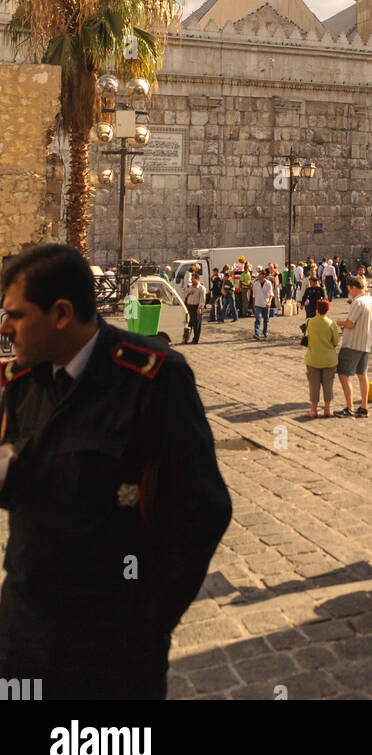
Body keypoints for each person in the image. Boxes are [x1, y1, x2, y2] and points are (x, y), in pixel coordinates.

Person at [0, 243, 232, 700]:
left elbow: (205, 507)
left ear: (62, 314)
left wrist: (149, 620)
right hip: (25, 620)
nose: (5, 326)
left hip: (110, 639)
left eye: (16, 315)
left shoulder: (152, 378)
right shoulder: (23, 381)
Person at [335, 275, 372, 417]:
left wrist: (339, 322)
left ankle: (349, 407)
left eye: (349, 289)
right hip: (366, 342)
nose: (349, 292)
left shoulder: (357, 303)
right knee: (362, 374)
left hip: (352, 343)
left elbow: (350, 323)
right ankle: (363, 407)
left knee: (343, 374)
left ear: (353, 287)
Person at [302, 299, 340, 419]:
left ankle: (314, 410)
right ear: (327, 310)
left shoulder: (310, 322)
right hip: (329, 359)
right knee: (328, 384)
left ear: (317, 309)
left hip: (313, 359)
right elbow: (336, 341)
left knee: (314, 385)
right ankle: (327, 409)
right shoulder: (331, 323)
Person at [301, 271, 326, 348]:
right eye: (310, 282)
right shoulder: (308, 289)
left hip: (317, 307)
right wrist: (302, 304)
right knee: (309, 320)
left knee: (317, 321)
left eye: (312, 282)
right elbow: (304, 297)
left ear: (315, 282)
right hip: (309, 307)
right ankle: (307, 332)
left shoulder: (320, 289)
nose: (310, 283)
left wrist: (323, 306)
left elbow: (324, 298)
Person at [183, 271, 207, 345]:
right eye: (191, 279)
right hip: (190, 306)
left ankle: (195, 339)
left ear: (198, 279)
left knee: (197, 324)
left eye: (193, 279)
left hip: (197, 307)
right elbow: (185, 295)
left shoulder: (201, 288)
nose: (192, 281)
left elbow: (202, 299)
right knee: (189, 323)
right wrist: (189, 294)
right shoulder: (190, 287)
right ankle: (186, 338)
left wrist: (200, 308)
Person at [251, 267, 273, 340]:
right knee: (258, 318)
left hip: (266, 304)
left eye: (260, 274)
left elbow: (271, 294)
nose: (258, 276)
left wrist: (269, 302)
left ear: (264, 275)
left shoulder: (268, 283)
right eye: (258, 274)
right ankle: (257, 333)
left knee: (266, 319)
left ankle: (265, 332)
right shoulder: (256, 284)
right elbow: (254, 295)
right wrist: (253, 304)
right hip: (258, 303)